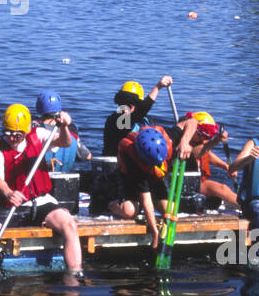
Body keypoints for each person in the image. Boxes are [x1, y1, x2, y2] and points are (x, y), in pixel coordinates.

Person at [0, 104, 82, 273]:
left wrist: (64, 127)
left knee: (69, 225)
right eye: (8, 133)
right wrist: (9, 193)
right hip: (14, 206)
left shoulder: (38, 135)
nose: (11, 138)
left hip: (41, 201)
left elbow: (65, 142)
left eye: (16, 134)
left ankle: (75, 274)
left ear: (25, 131)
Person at [108, 114, 202, 247]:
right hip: (130, 180)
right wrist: (155, 232)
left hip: (156, 179)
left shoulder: (168, 136)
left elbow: (192, 122)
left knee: (171, 209)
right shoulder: (135, 163)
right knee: (129, 211)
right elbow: (147, 202)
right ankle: (109, 203)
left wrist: (184, 142)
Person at [102, 75, 173, 156]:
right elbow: (142, 110)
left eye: (129, 106)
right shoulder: (116, 120)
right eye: (122, 105)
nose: (124, 109)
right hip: (117, 163)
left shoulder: (147, 121)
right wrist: (158, 87)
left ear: (137, 105)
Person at [33, 90, 92, 170]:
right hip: (65, 179)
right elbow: (88, 156)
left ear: (38, 108)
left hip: (42, 178)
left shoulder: (35, 129)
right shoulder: (70, 131)